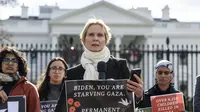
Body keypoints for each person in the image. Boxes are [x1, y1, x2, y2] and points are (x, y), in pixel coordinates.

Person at [55, 18, 144, 112]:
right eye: (91, 34)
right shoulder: (72, 74)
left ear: (106, 39)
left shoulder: (120, 66)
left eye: (100, 35)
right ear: (83, 39)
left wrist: (138, 95)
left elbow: (129, 103)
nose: (95, 38)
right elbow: (61, 108)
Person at [0, 46, 40, 112]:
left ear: (18, 66)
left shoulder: (29, 88)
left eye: (14, 60)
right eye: (6, 60)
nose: (10, 63)